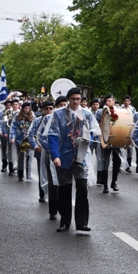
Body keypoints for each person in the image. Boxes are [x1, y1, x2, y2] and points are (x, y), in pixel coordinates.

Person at [47, 88, 96, 232]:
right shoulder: (58, 114)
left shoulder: (87, 114)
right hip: (64, 156)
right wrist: (55, 156)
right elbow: (52, 135)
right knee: (64, 189)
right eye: (73, 99)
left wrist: (87, 140)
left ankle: (82, 223)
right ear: (68, 99)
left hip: (82, 156)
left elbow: (94, 132)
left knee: (82, 187)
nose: (76, 101)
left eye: (78, 99)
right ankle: (65, 221)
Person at [94, 95, 121, 193]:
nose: (108, 102)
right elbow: (96, 124)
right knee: (105, 162)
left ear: (114, 101)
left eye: (110, 100)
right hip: (105, 140)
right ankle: (105, 184)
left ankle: (114, 181)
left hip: (115, 140)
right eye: (107, 100)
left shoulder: (118, 111)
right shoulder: (100, 112)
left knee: (117, 161)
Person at [11, 101, 35, 181]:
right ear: (22, 108)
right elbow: (13, 127)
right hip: (20, 139)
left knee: (29, 156)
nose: (27, 110)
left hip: (29, 139)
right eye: (25, 108)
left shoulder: (33, 116)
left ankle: (29, 174)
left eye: (28, 108)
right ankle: (20, 174)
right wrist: (12, 137)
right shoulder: (17, 116)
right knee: (21, 156)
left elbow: (35, 127)